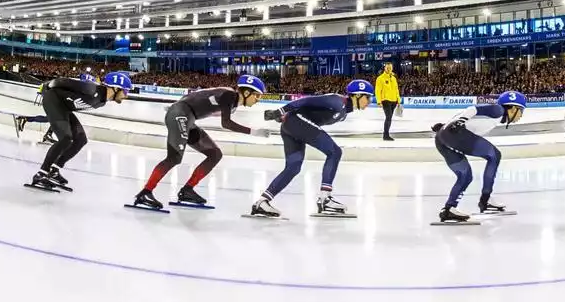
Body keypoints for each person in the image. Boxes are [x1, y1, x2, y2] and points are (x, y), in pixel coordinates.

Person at [132, 75, 269, 209]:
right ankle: (145, 193)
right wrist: (254, 132)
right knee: (174, 158)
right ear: (246, 92)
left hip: (187, 117)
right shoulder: (230, 96)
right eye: (257, 95)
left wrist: (180, 104)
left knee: (215, 154)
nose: (258, 100)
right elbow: (226, 124)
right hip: (181, 114)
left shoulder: (232, 101)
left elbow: (201, 94)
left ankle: (188, 190)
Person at [250, 79, 373, 218]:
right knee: (335, 152)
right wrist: (280, 111)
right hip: (295, 122)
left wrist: (285, 117)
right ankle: (325, 198)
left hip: (291, 124)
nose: (369, 101)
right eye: (367, 97)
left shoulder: (344, 112)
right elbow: (306, 101)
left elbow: (311, 112)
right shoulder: (337, 102)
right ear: (356, 96)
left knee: (293, 167)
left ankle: (262, 201)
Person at [27, 70, 132, 191]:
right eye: (125, 91)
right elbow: (63, 81)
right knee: (65, 138)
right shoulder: (91, 89)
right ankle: (41, 174)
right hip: (53, 100)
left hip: (63, 107)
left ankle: (54, 170)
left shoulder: (102, 101)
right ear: (115, 88)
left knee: (81, 140)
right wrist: (46, 86)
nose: (126, 95)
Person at [432, 90, 526, 223]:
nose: (521, 115)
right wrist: (459, 122)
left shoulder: (493, 117)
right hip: (455, 135)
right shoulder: (498, 110)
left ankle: (448, 209)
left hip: (441, 138)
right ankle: (485, 200)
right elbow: (472, 109)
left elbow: (466, 119)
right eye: (521, 110)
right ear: (513, 108)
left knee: (465, 176)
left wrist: (449, 125)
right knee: (494, 155)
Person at [375, 63, 401, 141]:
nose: (389, 69)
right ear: (384, 68)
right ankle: (385, 135)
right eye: (387, 67)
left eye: (390, 67)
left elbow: (396, 90)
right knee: (388, 117)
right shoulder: (380, 78)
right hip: (385, 100)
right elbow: (377, 90)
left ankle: (386, 134)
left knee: (389, 118)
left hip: (394, 101)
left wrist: (398, 99)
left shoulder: (394, 78)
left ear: (392, 68)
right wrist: (379, 101)